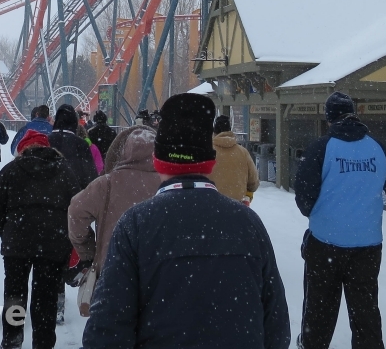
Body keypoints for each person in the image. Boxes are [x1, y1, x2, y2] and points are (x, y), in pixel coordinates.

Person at [82, 93, 289, 349]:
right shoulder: (248, 224)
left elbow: (106, 331)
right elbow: (277, 328)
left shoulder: (135, 225)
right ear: (211, 162)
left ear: (157, 160)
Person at [293, 91, 386, 349]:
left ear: (329, 118)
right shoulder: (377, 148)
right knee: (365, 310)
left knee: (319, 309)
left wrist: (321, 212)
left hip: (325, 242)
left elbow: (304, 198)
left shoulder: (321, 147)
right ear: (353, 114)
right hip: (367, 246)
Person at [0, 129, 79, 349]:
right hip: (53, 242)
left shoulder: (10, 170)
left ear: (23, 149)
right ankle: (43, 342)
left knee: (14, 295)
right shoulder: (64, 171)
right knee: (46, 299)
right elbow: (76, 206)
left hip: (17, 242)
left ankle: (12, 339)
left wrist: (5, 231)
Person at [68, 127, 161, 279]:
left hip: (111, 270)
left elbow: (76, 212)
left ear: (123, 151)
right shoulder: (169, 185)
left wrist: (88, 250)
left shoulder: (106, 184)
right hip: (156, 274)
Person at [210, 114, 260, 204]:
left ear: (214, 132)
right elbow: (254, 183)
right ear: (230, 130)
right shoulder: (243, 152)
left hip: (211, 205)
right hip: (238, 207)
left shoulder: (206, 152)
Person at [48, 104, 99, 189]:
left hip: (49, 194)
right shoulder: (81, 144)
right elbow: (90, 175)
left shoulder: (46, 141)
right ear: (74, 122)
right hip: (75, 193)